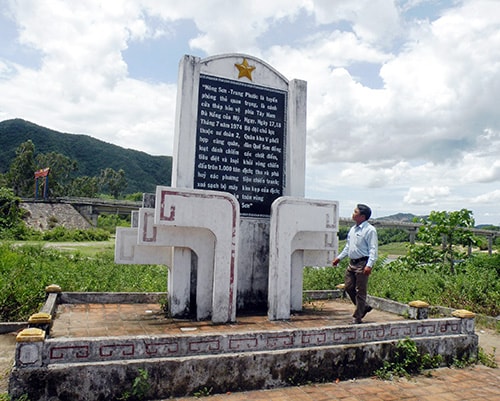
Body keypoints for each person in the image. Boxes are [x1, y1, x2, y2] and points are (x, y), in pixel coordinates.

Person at [332, 204, 378, 324]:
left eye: (355, 211)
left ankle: (357, 317)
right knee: (348, 287)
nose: (353, 213)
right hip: (352, 263)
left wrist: (369, 265)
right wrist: (339, 258)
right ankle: (364, 307)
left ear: (362, 216)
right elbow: (348, 247)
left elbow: (373, 249)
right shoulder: (353, 229)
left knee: (360, 291)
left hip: (362, 263)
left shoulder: (370, 230)